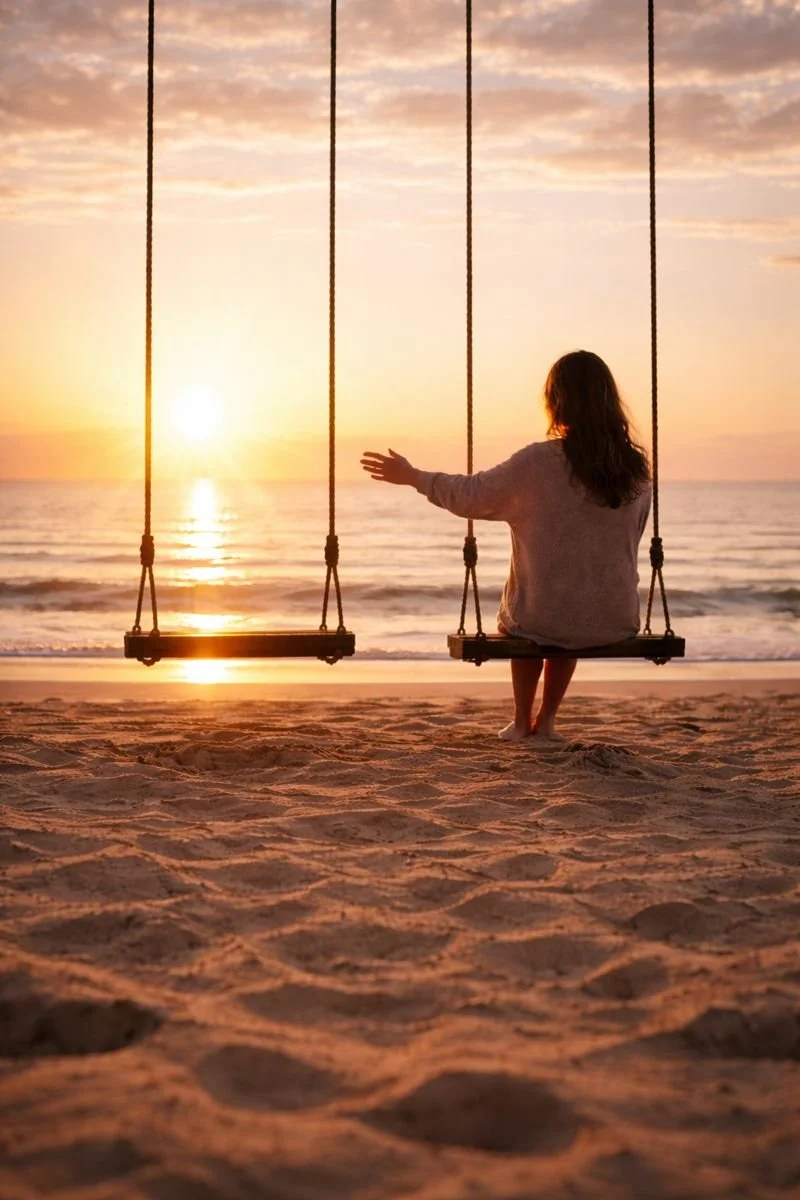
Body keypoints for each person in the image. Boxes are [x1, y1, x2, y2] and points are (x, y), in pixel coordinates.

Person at [360, 350, 652, 742]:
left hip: (545, 616)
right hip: (612, 617)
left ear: (557, 400)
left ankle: (520, 722)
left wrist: (414, 477)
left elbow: (471, 495)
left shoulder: (539, 462)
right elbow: (629, 538)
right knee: (573, 596)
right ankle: (547, 722)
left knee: (535, 616)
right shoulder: (634, 470)